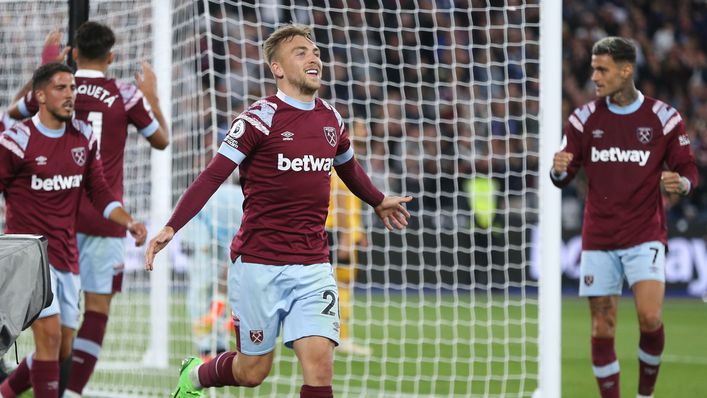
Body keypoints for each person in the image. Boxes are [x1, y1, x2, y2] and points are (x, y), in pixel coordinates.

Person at [144, 23, 412, 398]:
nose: (313, 57)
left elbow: (348, 166)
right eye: (300, 52)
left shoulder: (331, 119)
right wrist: (172, 227)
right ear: (278, 68)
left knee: (320, 368)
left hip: (313, 264)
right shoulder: (258, 118)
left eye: (315, 51)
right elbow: (211, 176)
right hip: (258, 264)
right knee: (252, 371)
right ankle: (198, 375)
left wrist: (377, 199)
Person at [8, 22, 169, 398]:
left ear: (74, 54)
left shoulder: (56, 89)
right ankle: (71, 392)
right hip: (103, 220)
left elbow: (16, 113)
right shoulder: (126, 93)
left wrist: (43, 68)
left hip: (57, 218)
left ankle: (10, 388)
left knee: (56, 331)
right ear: (111, 57)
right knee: (93, 314)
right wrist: (154, 98)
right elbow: (161, 141)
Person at [551, 37, 698, 398]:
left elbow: (689, 169)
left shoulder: (663, 118)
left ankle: (644, 395)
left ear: (625, 69)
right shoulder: (583, 119)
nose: (594, 77)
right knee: (603, 327)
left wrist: (681, 183)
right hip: (598, 238)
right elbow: (564, 176)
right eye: (592, 69)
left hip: (644, 235)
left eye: (602, 69)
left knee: (649, 317)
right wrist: (558, 171)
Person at [325, 118, 371, 357]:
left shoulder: (352, 160)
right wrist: (345, 237)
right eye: (361, 127)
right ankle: (339, 337)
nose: (366, 132)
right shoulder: (341, 161)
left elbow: (352, 202)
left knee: (342, 285)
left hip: (346, 232)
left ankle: (339, 336)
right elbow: (341, 201)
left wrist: (358, 230)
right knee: (337, 285)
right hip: (335, 232)